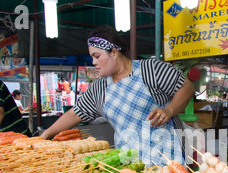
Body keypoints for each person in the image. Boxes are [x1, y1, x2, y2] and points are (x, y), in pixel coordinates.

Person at [40, 25, 195, 165]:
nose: (93, 62)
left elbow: (186, 88)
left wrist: (169, 110)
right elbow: (75, 114)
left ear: (114, 53)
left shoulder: (151, 69)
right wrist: (45, 134)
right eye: (92, 57)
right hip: (130, 163)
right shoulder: (99, 89)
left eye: (97, 56)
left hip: (167, 158)